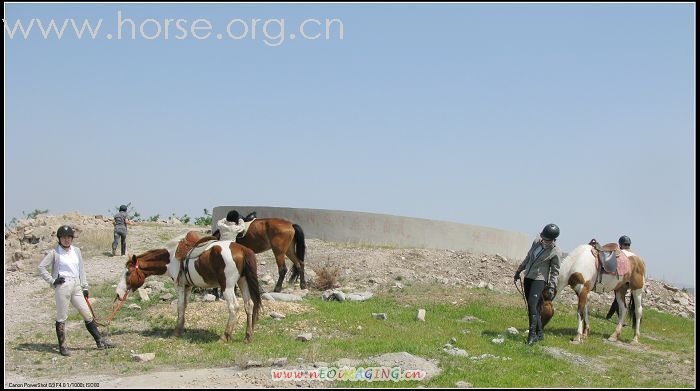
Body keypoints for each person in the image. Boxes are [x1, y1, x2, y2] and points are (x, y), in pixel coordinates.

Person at [38, 225, 115, 356]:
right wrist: (52, 281)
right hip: (63, 286)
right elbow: (41, 267)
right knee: (62, 316)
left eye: (69, 237)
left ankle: (100, 340)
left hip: (76, 284)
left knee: (87, 313)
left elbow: (81, 270)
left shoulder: (77, 251)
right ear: (59, 239)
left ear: (72, 238)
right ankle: (62, 346)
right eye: (63, 237)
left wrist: (85, 286)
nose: (66, 240)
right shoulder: (54, 253)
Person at [513, 223, 562, 345]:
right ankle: (540, 334)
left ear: (553, 240)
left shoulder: (556, 251)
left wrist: (552, 285)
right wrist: (519, 270)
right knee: (535, 306)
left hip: (539, 280)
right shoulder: (536, 242)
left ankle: (532, 335)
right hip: (528, 277)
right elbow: (528, 257)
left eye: (547, 239)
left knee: (532, 305)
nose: (544, 240)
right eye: (543, 237)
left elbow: (555, 271)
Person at [211, 210, 246, 299]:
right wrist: (240, 220)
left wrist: (225, 219)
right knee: (232, 272)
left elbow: (219, 222)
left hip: (220, 247)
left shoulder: (221, 226)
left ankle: (215, 291)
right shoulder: (236, 228)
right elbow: (243, 226)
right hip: (230, 249)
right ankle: (232, 291)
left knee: (216, 269)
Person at [606, 235, 633, 320]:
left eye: (628, 245)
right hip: (617, 279)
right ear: (620, 245)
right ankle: (619, 319)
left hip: (625, 281)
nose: (627, 246)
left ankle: (609, 316)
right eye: (625, 244)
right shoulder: (617, 255)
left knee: (617, 299)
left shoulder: (631, 256)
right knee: (619, 299)